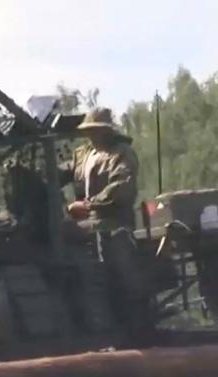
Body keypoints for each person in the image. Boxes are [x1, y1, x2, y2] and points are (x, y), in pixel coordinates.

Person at [64, 107, 150, 334]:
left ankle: (139, 329)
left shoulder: (121, 153)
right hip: (85, 227)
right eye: (89, 131)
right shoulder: (82, 156)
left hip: (114, 223)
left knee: (125, 276)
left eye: (96, 131)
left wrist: (90, 204)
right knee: (93, 281)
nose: (92, 136)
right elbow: (61, 173)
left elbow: (122, 186)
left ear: (107, 131)